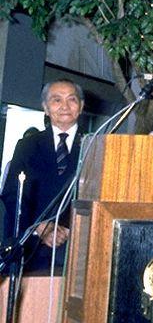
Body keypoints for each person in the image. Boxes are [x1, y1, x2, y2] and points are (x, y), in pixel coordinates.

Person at [0, 79, 85, 273]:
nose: (65, 106)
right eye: (57, 100)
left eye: (71, 99)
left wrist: (69, 229)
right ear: (46, 108)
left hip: (76, 250)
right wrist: (38, 227)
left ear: (81, 106)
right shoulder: (27, 146)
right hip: (30, 249)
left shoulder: (94, 146)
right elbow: (12, 194)